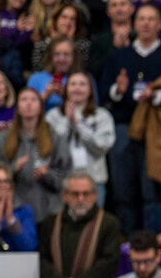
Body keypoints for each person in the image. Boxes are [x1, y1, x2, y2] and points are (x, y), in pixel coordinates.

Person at [101, 3, 161, 232]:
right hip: (124, 126)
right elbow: (102, 91)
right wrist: (118, 91)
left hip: (157, 129)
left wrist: (156, 95)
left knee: (153, 190)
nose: (146, 23)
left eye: (151, 19)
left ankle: (152, 243)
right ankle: (129, 243)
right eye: (141, 19)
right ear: (134, 23)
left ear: (159, 25)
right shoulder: (119, 57)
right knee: (123, 190)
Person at [0, 87, 70, 221]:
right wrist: (12, 169)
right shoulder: (2, 139)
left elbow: (67, 175)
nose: (29, 104)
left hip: (50, 211)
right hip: (14, 211)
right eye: (24, 100)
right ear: (17, 108)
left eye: (33, 100)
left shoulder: (55, 137)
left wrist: (47, 175)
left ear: (40, 107)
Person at [38, 171, 122, 278]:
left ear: (95, 195)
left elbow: (108, 263)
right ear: (64, 196)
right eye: (75, 194)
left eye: (86, 194)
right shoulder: (50, 223)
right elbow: (42, 261)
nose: (81, 199)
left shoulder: (109, 224)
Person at [44, 71, 115, 202]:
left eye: (82, 84)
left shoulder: (102, 116)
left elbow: (101, 147)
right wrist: (66, 120)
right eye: (73, 84)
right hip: (62, 182)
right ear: (66, 89)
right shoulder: (53, 116)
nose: (77, 88)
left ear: (90, 90)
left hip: (94, 181)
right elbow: (50, 148)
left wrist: (78, 125)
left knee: (93, 222)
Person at [86, 0, 132, 79]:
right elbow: (95, 72)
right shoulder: (99, 41)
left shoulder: (141, 37)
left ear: (131, 8)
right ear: (108, 12)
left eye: (123, 4)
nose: (119, 9)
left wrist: (129, 49)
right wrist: (114, 48)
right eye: (114, 5)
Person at [26, 35, 79, 110]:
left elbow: (89, 108)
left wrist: (65, 96)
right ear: (51, 57)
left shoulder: (83, 80)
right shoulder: (36, 78)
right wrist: (45, 95)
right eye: (57, 54)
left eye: (66, 54)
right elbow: (26, 109)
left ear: (74, 57)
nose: (61, 59)